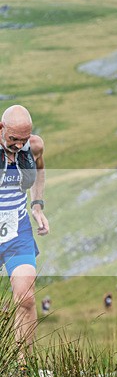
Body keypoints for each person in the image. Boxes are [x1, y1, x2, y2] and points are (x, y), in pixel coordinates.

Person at [0, 105, 48, 362]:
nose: (18, 145)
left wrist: (37, 206)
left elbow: (39, 170)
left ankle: (23, 370)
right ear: (1, 129)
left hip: (17, 232)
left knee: (26, 298)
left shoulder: (34, 146)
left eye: (23, 138)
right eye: (12, 139)